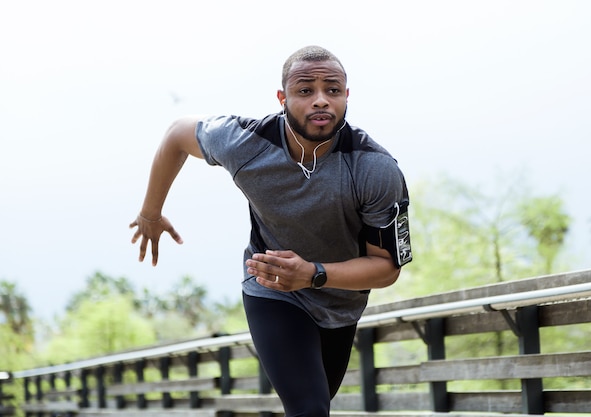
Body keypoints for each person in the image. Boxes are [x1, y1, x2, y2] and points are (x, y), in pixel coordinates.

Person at [129, 45, 412, 417]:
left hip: (340, 300)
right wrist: (151, 213)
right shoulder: (246, 142)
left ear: (346, 95)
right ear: (282, 98)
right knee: (310, 411)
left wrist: (313, 273)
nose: (320, 101)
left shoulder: (375, 169)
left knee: (314, 406)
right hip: (272, 290)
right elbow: (177, 133)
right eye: (305, 90)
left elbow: (387, 267)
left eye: (333, 90)